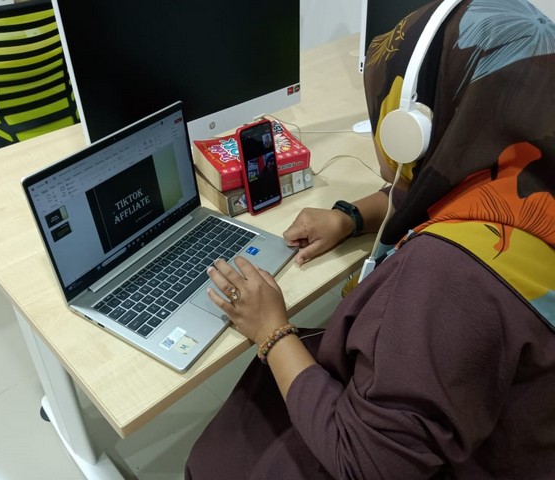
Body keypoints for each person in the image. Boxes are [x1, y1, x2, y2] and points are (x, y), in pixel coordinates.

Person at [185, 0, 555, 478]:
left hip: (431, 460)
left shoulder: (448, 278)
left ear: (411, 128)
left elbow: (366, 465)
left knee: (214, 459)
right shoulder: (532, 170)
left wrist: (270, 330)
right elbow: (445, 191)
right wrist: (350, 216)